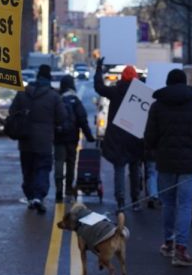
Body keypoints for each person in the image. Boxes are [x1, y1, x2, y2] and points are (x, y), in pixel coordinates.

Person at [144, 68, 192, 267]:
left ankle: (168, 242)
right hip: (190, 163)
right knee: (185, 205)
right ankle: (181, 248)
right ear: (185, 84)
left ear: (167, 83)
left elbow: (149, 136)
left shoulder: (157, 107)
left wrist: (152, 153)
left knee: (168, 204)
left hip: (165, 161)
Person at [10, 64, 66, 214]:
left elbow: (12, 111)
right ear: (49, 78)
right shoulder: (53, 96)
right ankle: (38, 197)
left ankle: (29, 197)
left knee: (27, 170)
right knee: (42, 168)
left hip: (25, 141)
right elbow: (62, 116)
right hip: (44, 142)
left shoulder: (23, 93)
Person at [93, 58, 145, 210]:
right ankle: (135, 200)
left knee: (119, 169)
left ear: (122, 77)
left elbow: (99, 87)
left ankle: (120, 200)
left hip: (117, 137)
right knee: (135, 169)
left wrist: (98, 69)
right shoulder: (141, 93)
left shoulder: (115, 91)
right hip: (135, 137)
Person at [55, 74, 96, 202]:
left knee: (59, 162)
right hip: (72, 138)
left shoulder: (58, 100)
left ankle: (58, 189)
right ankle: (68, 189)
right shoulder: (76, 101)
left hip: (59, 137)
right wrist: (89, 137)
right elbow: (82, 120)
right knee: (71, 163)